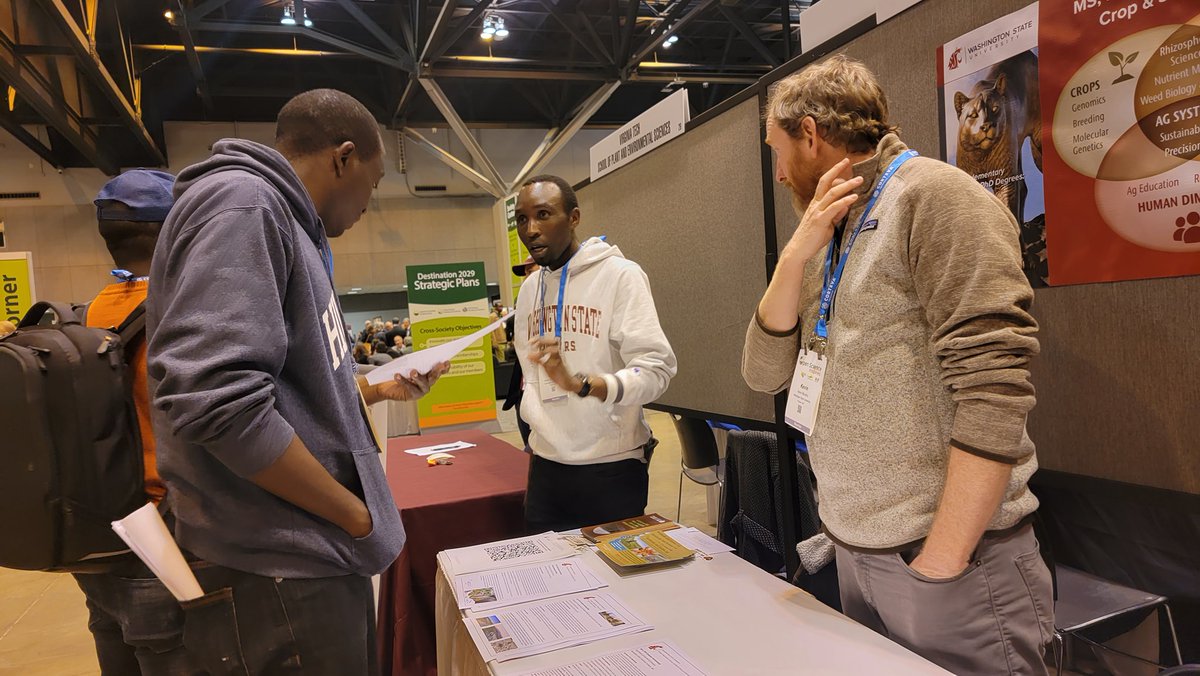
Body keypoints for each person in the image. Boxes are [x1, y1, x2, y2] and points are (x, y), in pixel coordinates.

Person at [741, 55, 1052, 675]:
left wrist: (941, 561)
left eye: (778, 150)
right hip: (855, 551)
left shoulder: (935, 197)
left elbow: (994, 388)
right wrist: (796, 254)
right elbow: (764, 373)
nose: (778, 173)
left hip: (945, 564)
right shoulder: (826, 227)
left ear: (810, 134)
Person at [146, 89, 446, 675]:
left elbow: (289, 386)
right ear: (343, 157)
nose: (369, 205)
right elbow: (219, 404)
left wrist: (375, 387)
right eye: (373, 183)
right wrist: (354, 516)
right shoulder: (245, 206)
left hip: (301, 558)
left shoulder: (283, 221)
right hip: (280, 569)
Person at [67, 169, 204, 676]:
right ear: (175, 231)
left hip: (98, 542)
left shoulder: (85, 317)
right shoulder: (178, 318)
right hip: (161, 538)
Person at [512, 175, 676, 533]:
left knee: (612, 570)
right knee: (548, 569)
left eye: (543, 214)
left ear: (573, 218)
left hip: (611, 467)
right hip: (546, 467)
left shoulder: (620, 276)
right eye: (522, 219)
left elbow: (657, 370)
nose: (531, 229)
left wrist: (584, 384)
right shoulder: (529, 291)